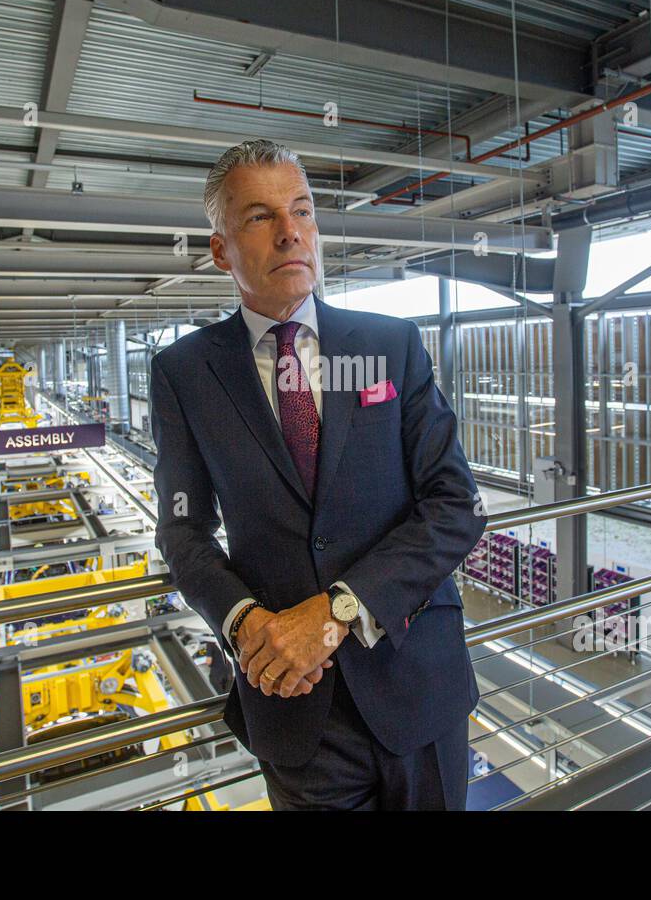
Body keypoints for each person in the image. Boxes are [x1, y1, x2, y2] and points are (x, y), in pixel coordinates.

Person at [150, 140, 486, 810]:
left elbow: (457, 505)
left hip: (416, 679)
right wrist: (245, 624)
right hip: (294, 706)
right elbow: (183, 531)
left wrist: (338, 611)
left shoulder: (390, 345)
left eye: (301, 211)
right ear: (221, 250)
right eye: (260, 217)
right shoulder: (186, 373)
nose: (291, 231)